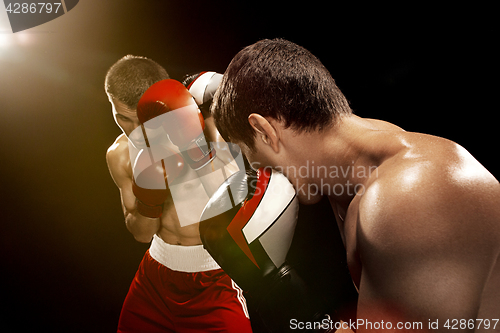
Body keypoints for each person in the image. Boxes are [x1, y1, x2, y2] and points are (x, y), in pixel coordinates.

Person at [211, 39, 500, 331]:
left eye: (259, 163)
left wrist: (275, 292)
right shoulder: (352, 182)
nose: (267, 178)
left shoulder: (406, 197)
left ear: (264, 130)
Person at [104, 55, 252, 333]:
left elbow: (237, 202)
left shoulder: (207, 127)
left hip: (213, 281)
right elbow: (141, 233)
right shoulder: (120, 154)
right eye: (123, 118)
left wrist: (197, 149)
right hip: (154, 282)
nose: (136, 131)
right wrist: (149, 202)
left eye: (143, 120)